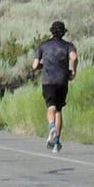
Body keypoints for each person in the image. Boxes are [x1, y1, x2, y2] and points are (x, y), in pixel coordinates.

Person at [31, 21, 78, 151]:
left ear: (51, 31)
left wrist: (43, 66)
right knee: (58, 109)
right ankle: (56, 140)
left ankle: (51, 127)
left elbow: (34, 66)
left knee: (50, 107)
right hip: (62, 80)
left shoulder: (43, 45)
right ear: (63, 32)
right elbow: (74, 57)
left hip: (48, 80)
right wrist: (73, 71)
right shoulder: (68, 45)